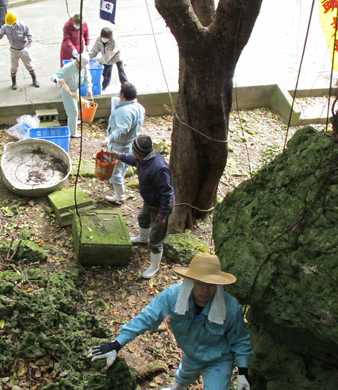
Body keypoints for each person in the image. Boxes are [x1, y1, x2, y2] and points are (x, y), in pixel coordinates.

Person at [88, 253, 252, 390]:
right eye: (199, 283)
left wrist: (243, 371)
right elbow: (147, 318)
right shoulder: (172, 296)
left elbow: (240, 339)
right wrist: (116, 345)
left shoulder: (230, 307)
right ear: (191, 282)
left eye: (210, 285)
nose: (205, 290)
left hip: (218, 360)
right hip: (190, 354)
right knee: (183, 377)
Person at [108, 135, 174, 277]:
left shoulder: (158, 168)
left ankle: (154, 266)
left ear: (141, 152)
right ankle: (143, 238)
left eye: (133, 149)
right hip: (149, 203)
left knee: (156, 239)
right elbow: (132, 160)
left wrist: (162, 215)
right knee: (143, 219)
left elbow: (167, 193)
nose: (132, 151)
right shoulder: (143, 159)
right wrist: (118, 155)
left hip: (160, 208)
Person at [101, 82, 145, 203]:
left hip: (120, 145)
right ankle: (119, 182)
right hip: (132, 143)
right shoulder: (140, 107)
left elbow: (121, 129)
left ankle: (119, 196)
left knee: (114, 172)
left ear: (122, 95)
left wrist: (109, 138)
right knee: (124, 165)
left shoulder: (124, 111)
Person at [0, 11, 39, 90]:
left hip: (23, 50)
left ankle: (34, 80)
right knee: (14, 67)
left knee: (29, 65)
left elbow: (30, 37)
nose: (11, 24)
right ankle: (14, 83)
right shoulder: (5, 27)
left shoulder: (22, 26)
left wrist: (27, 47)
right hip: (13, 50)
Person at [50, 54, 92, 138]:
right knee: (73, 112)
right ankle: (72, 132)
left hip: (75, 90)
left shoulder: (84, 68)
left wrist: (89, 89)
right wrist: (58, 80)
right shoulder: (68, 68)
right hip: (67, 92)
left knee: (77, 108)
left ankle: (74, 122)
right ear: (77, 61)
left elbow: (87, 78)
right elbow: (53, 77)